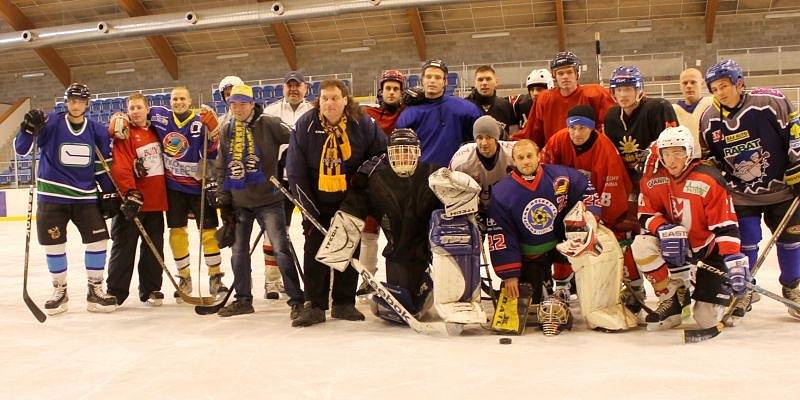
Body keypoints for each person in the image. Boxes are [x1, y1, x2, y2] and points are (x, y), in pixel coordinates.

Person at [700, 59, 800, 320]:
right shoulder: (709, 119)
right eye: (714, 88)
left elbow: (796, 133)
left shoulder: (771, 102)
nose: (720, 92)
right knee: (746, 241)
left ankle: (793, 287)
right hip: (741, 193)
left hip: (783, 189)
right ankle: (744, 288)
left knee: (791, 241)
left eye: (724, 86)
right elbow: (710, 158)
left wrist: (798, 167)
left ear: (739, 83)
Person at [112, 86, 227, 302]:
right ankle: (184, 277)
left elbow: (212, 152)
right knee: (177, 233)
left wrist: (213, 136)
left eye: (183, 98)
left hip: (199, 187)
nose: (179, 102)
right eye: (175, 99)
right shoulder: (159, 115)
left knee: (209, 233)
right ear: (169, 101)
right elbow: (129, 114)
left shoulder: (198, 121)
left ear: (189, 100)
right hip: (174, 188)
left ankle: (215, 277)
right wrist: (118, 116)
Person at [287, 79, 387, 327]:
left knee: (347, 247)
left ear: (345, 100)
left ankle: (344, 302)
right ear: (318, 101)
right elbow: (295, 167)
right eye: (324, 99)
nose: (329, 103)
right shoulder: (306, 124)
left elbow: (381, 153)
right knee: (314, 250)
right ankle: (315, 304)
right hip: (315, 199)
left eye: (334, 98)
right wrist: (306, 204)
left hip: (350, 198)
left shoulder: (361, 123)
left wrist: (365, 176)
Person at [14, 83, 118, 315]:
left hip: (86, 197)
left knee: (99, 242)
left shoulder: (97, 130)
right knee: (54, 244)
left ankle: (95, 289)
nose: (76, 104)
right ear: (66, 101)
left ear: (87, 104)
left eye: (81, 101)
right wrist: (27, 128)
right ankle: (59, 290)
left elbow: (101, 165)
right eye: (72, 100)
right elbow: (22, 149)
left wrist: (110, 191)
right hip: (53, 197)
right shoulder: (49, 122)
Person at [633, 126, 748, 329]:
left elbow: (726, 226)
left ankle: (733, 294)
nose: (671, 159)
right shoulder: (653, 180)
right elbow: (645, 213)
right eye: (666, 153)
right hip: (678, 246)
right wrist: (663, 228)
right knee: (641, 244)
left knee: (706, 321)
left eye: (678, 152)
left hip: (708, 250)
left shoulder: (708, 179)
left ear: (689, 152)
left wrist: (732, 258)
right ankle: (671, 298)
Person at [487, 139, 601, 334]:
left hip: (562, 245)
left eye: (530, 156)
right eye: (520, 158)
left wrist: (590, 215)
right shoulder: (502, 193)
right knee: (537, 305)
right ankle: (547, 286)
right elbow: (501, 234)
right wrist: (510, 275)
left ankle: (597, 302)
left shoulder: (559, 178)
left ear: (539, 155)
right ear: (513, 161)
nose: (526, 162)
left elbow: (585, 189)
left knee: (600, 247)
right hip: (529, 255)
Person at [209, 84, 303, 318]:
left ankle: (297, 300)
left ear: (252, 104)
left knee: (281, 250)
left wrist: (288, 167)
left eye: (242, 103)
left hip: (270, 200)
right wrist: (223, 197)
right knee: (238, 252)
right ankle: (243, 299)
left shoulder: (269, 123)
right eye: (233, 104)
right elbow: (222, 166)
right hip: (240, 202)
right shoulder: (226, 129)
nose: (237, 108)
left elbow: (298, 139)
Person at [541, 105, 643, 312]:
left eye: (582, 128)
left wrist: (599, 219)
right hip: (565, 202)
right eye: (573, 128)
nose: (576, 134)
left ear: (593, 128)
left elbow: (614, 189)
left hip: (600, 206)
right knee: (561, 235)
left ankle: (635, 286)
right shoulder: (558, 140)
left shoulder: (605, 149)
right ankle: (561, 285)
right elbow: (544, 172)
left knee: (620, 238)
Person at [105, 93, 168, 307]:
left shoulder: (155, 132)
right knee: (124, 247)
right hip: (132, 202)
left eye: (139, 107)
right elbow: (120, 165)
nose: (135, 111)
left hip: (156, 202)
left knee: (154, 249)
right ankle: (116, 291)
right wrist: (130, 192)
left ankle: (151, 289)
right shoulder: (124, 133)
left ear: (147, 109)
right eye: (131, 108)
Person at [261, 71, 314, 300]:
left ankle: (315, 279)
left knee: (312, 231)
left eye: (297, 85)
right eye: (289, 86)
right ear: (283, 88)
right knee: (273, 232)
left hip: (305, 180)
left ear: (305, 88)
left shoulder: (314, 111)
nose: (293, 89)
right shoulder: (270, 112)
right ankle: (272, 281)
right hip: (276, 180)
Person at [513, 51, 615, 148]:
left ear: (577, 74)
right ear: (554, 76)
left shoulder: (596, 94)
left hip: (588, 154)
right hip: (556, 155)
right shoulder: (544, 99)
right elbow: (533, 132)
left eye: (569, 72)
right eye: (560, 73)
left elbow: (611, 126)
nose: (565, 77)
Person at [396, 59, 481, 168]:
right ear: (422, 80)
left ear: (445, 82)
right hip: (421, 176)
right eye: (428, 77)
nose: (432, 81)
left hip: (456, 173)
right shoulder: (409, 114)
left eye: (437, 77)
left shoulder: (466, 109)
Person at [604, 66, 678, 181]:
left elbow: (673, 144)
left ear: (639, 90)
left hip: (658, 175)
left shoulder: (659, 107)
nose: (623, 95)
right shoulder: (611, 116)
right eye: (619, 90)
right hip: (627, 178)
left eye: (628, 89)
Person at [449, 115, 514, 227]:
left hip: (507, 209)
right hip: (474, 211)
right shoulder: (461, 161)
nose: (484, 143)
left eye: (488, 137)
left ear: (496, 138)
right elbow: (450, 191)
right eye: (479, 137)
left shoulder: (514, 154)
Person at [464, 65, 518, 138]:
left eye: (488, 79)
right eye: (480, 79)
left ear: (496, 82)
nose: (484, 83)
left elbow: (513, 135)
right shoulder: (465, 106)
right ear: (475, 84)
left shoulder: (506, 106)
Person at [673, 68, 712, 158]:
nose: (689, 86)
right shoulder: (672, 110)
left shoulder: (712, 103)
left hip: (710, 160)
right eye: (685, 83)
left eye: (693, 82)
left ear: (702, 83)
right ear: (680, 86)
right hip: (684, 161)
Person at [363, 70, 407, 135]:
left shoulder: (408, 112)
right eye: (388, 88)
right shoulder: (368, 113)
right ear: (381, 92)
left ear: (401, 93)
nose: (391, 92)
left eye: (395, 89)